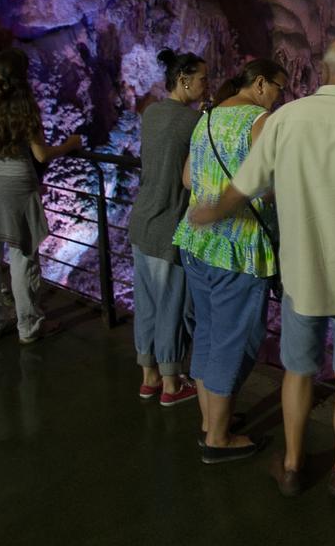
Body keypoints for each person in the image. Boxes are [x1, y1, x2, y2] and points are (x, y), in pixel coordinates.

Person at [189, 37, 335, 497]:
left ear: (324, 70)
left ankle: (294, 466)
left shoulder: (285, 119)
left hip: (300, 275)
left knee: (298, 371)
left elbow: (245, 185)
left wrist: (213, 212)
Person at [173, 58, 286, 464]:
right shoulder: (259, 121)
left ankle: (210, 420)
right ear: (259, 84)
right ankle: (218, 439)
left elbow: (188, 178)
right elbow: (267, 183)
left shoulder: (206, 117)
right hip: (238, 246)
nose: (279, 97)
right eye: (278, 88)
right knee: (233, 340)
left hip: (197, 241)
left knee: (206, 331)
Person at [0, 48, 81, 344]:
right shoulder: (25, 106)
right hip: (17, 183)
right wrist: (68, 145)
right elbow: (40, 154)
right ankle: (29, 326)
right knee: (22, 255)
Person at [129, 48, 206, 407]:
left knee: (146, 302)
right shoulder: (192, 123)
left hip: (142, 219)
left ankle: (149, 377)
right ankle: (173, 384)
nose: (207, 86)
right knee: (172, 304)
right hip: (168, 223)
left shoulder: (152, 112)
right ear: (184, 80)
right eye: (202, 79)